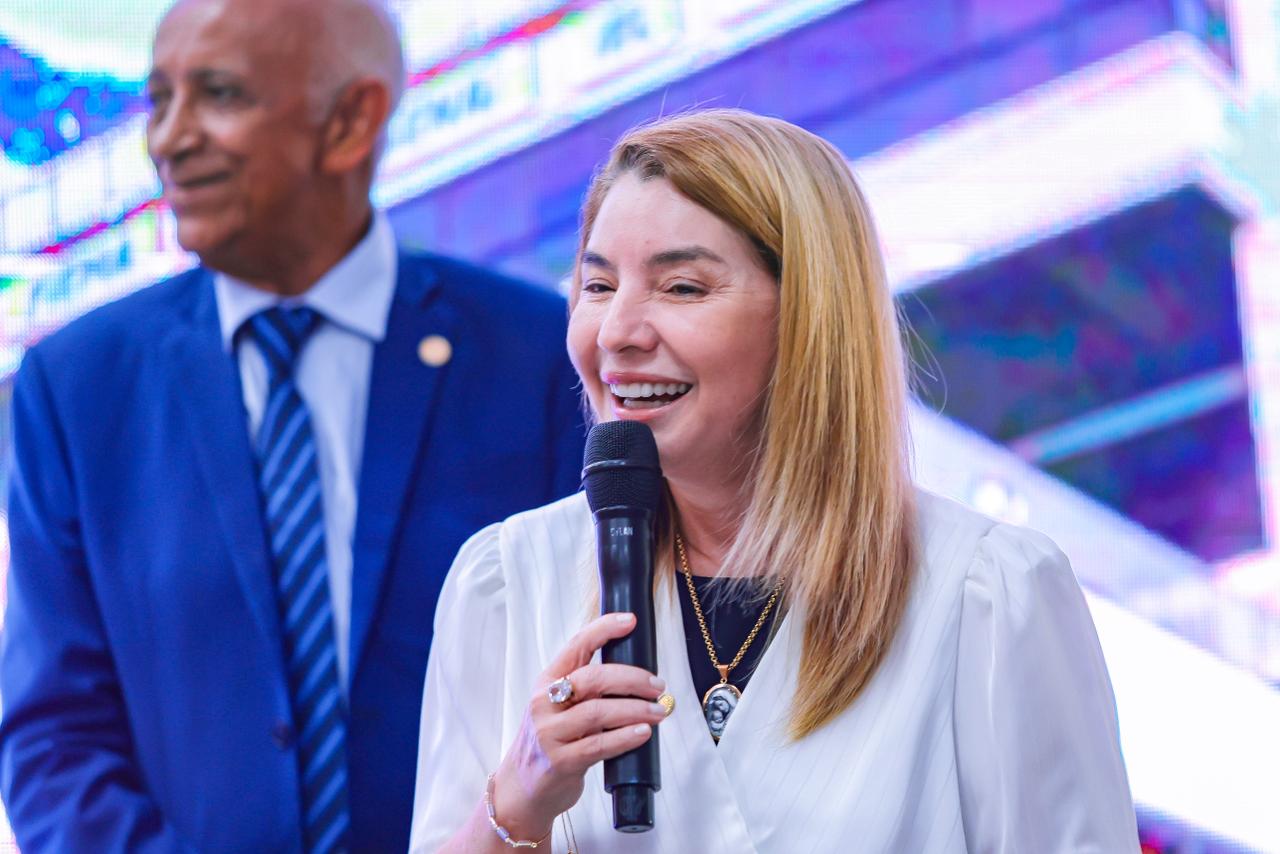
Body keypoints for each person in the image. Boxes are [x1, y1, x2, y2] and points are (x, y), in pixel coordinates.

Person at [408, 109, 1140, 852]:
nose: (617, 332)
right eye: (597, 286)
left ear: (810, 318)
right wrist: (517, 802)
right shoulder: (506, 581)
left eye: (682, 287)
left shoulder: (984, 593)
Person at [0, 0, 584, 851]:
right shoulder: (78, 387)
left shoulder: (537, 355)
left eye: (219, 94)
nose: (168, 139)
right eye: (159, 100)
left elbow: (590, 678)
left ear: (351, 122)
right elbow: (55, 742)